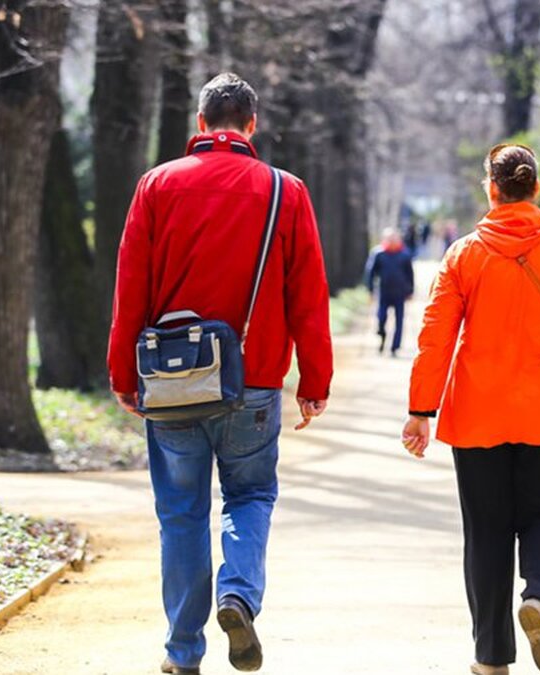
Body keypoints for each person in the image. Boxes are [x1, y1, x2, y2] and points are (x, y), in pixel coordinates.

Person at [107, 73, 333, 675]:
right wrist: (315, 382)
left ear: (201, 125)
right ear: (251, 126)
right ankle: (237, 595)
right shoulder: (286, 192)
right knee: (251, 494)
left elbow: (130, 288)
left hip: (172, 381)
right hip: (253, 381)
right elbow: (308, 295)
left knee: (180, 513)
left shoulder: (156, 185)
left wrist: (122, 373)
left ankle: (183, 653)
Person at [401, 143, 540, 675]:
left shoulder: (462, 256)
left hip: (477, 416)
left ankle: (491, 657)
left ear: (491, 190)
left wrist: (420, 410)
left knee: (487, 531)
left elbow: (436, 339)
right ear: (535, 188)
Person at [364, 227, 415, 355]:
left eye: (394, 238)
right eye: (389, 238)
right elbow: (370, 272)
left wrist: (410, 291)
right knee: (381, 318)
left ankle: (395, 347)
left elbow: (410, 274)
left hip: (400, 292)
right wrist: (370, 289)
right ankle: (382, 335)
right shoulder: (378, 253)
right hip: (383, 292)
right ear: (385, 239)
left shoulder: (405, 254)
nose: (392, 241)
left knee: (399, 320)